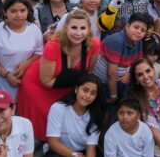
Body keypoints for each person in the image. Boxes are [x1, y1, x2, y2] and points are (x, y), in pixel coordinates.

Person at [17, 9, 100, 141]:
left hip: (66, 88)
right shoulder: (53, 46)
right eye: (74, 27)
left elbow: (88, 73)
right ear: (66, 27)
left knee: (64, 126)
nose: (78, 33)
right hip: (39, 86)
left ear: (89, 29)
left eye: (83, 28)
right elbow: (46, 81)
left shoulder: (94, 44)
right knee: (43, 127)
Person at [94, 13, 152, 109]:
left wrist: (129, 74)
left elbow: (138, 63)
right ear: (127, 26)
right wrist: (113, 95)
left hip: (121, 80)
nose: (138, 32)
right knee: (106, 109)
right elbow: (111, 73)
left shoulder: (138, 42)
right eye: (136, 27)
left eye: (142, 30)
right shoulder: (116, 41)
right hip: (103, 82)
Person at [0, 0, 43, 101]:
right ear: (5, 12)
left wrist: (27, 63)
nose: (18, 15)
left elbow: (40, 53)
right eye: (13, 11)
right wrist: (6, 75)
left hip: (27, 82)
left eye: (22, 10)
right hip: (2, 83)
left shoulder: (34, 29)